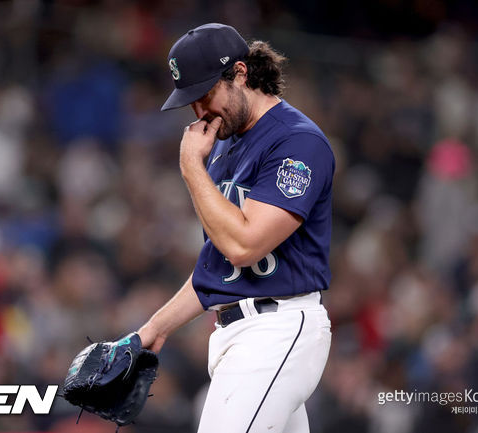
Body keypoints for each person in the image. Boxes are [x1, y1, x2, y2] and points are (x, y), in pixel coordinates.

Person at [137, 23, 334, 433]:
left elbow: (245, 247)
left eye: (205, 94)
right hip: (237, 334)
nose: (199, 112)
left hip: (277, 330)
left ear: (240, 73)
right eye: (190, 101)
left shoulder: (297, 143)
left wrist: (191, 167)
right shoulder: (223, 145)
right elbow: (220, 265)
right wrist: (154, 330)